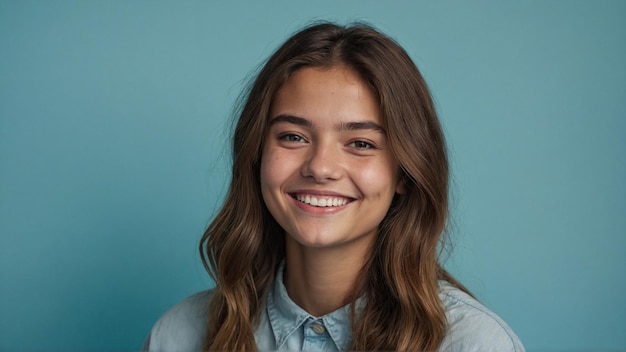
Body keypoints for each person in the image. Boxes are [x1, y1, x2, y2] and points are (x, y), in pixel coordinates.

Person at [143, 22, 525, 351]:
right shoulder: (180, 336)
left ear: (406, 174)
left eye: (361, 144)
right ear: (256, 155)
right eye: (293, 137)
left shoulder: (473, 343)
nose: (321, 167)